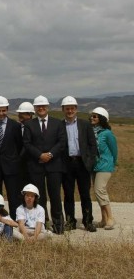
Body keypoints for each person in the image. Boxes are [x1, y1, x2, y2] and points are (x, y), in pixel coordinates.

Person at [23, 95, 67, 234]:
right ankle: (42, 223)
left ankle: (58, 225)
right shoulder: (29, 124)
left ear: (47, 107)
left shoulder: (58, 123)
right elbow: (27, 143)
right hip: (36, 165)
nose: (41, 108)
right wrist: (39, 155)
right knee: (39, 196)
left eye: (43, 106)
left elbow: (61, 142)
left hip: (54, 165)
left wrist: (49, 155)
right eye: (38, 107)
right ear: (35, 109)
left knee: (55, 195)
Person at [60, 96, 98, 232]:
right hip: (67, 164)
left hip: (82, 164)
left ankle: (88, 221)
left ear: (76, 109)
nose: (69, 111)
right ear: (63, 110)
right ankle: (70, 222)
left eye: (72, 108)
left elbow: (92, 145)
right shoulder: (60, 125)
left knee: (85, 195)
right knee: (68, 195)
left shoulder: (85, 125)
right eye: (67, 109)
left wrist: (90, 161)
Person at [91, 107, 118, 230]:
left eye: (95, 116)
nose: (92, 118)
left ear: (101, 119)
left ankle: (111, 218)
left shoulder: (107, 133)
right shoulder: (91, 131)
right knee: (98, 193)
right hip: (94, 166)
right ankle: (104, 219)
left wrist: (112, 164)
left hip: (105, 165)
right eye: (92, 116)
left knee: (99, 190)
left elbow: (114, 150)